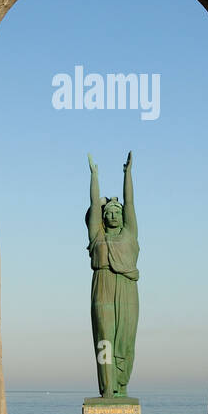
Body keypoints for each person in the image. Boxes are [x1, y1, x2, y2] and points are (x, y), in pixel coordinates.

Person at [86, 152, 139, 396]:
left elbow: (130, 203)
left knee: (125, 339)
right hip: (103, 284)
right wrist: (94, 176)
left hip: (127, 287)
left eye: (117, 211)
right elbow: (95, 207)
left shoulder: (130, 234)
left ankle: (122, 385)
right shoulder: (97, 236)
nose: (114, 214)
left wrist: (127, 174)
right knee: (105, 336)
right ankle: (107, 387)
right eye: (109, 212)